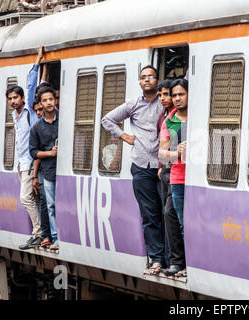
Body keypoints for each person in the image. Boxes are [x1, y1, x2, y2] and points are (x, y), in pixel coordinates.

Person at [102, 65, 168, 275]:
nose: (147, 80)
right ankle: (156, 259)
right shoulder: (133, 104)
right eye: (143, 77)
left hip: (162, 166)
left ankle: (171, 259)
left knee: (167, 213)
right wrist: (124, 136)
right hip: (141, 167)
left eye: (150, 76)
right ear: (139, 82)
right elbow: (107, 119)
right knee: (149, 215)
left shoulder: (164, 103)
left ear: (157, 80)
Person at [157, 79, 187, 277]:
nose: (176, 99)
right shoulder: (169, 121)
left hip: (200, 178)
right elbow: (161, 154)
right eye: (174, 95)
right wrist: (176, 153)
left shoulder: (201, 116)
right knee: (176, 218)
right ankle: (179, 263)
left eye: (181, 94)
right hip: (178, 177)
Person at [7, 85, 42, 250]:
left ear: (22, 98)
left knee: (25, 198)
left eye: (15, 98)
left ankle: (39, 233)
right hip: (21, 163)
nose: (13, 101)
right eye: (10, 99)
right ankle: (39, 234)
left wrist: (37, 64)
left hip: (29, 161)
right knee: (33, 198)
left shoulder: (29, 112)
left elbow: (32, 85)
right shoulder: (15, 115)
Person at [29, 86, 59, 251]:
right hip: (48, 172)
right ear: (40, 103)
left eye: (51, 99)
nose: (48, 103)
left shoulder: (65, 120)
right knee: (51, 205)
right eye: (45, 100)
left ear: (55, 101)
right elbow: (33, 152)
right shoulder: (37, 128)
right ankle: (55, 237)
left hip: (65, 171)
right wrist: (50, 153)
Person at [30, 98, 52, 248]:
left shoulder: (49, 125)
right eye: (36, 110)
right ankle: (45, 234)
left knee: (47, 203)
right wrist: (35, 175)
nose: (38, 112)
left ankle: (46, 234)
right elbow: (36, 153)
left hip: (49, 169)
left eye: (40, 109)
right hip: (44, 169)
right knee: (45, 202)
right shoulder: (37, 127)